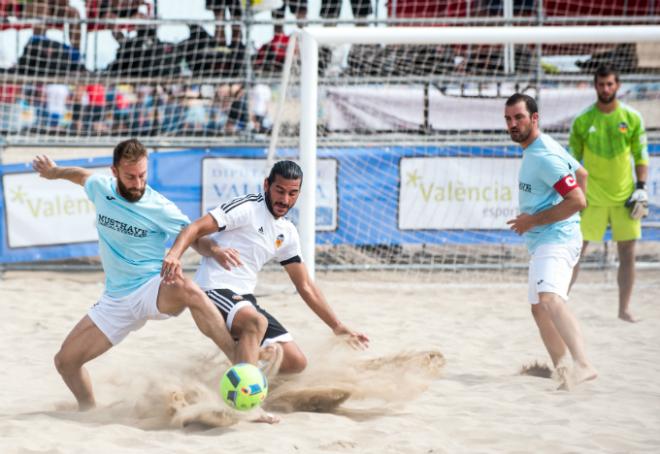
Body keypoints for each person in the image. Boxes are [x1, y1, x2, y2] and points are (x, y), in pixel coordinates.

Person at [32, 139, 236, 411]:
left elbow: (195, 236)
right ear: (114, 171)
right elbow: (80, 175)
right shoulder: (100, 187)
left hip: (152, 287)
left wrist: (215, 250)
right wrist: (54, 172)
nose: (138, 183)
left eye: (142, 175)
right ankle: (88, 410)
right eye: (130, 176)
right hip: (116, 300)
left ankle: (241, 362)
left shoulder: (159, 206)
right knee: (65, 362)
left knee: (188, 289)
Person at [161, 160, 369, 374]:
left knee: (295, 363)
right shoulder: (248, 207)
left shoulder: (287, 232)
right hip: (214, 289)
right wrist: (175, 255)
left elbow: (305, 285)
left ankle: (251, 375)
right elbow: (194, 227)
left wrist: (337, 326)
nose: (285, 199)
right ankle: (243, 399)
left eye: (292, 193)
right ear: (266, 185)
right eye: (280, 191)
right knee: (256, 322)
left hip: (244, 299)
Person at [504, 93, 597, 389]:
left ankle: (583, 364)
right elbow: (581, 173)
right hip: (547, 239)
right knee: (538, 307)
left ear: (534, 118)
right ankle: (562, 369)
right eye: (508, 119)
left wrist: (534, 220)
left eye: (518, 117)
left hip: (556, 239)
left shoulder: (543, 156)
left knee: (550, 300)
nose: (512, 124)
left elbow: (578, 199)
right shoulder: (540, 147)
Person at [568, 65, 649, 323]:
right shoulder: (583, 120)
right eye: (601, 84)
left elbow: (641, 155)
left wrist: (642, 187)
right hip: (591, 197)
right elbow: (572, 160)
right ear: (595, 86)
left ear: (618, 85)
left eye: (610, 84)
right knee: (574, 251)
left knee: (628, 253)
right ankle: (559, 304)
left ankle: (623, 309)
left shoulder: (632, 117)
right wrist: (573, 192)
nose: (606, 89)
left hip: (624, 196)